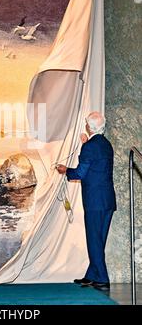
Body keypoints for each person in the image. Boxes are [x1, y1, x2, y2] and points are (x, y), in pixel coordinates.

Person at [56, 111, 116, 292]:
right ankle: (92, 275)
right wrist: (86, 143)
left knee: (94, 240)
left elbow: (80, 173)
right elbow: (96, 164)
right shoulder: (106, 144)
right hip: (107, 200)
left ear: (88, 127)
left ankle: (103, 279)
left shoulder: (90, 147)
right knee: (99, 239)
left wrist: (65, 169)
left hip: (95, 201)